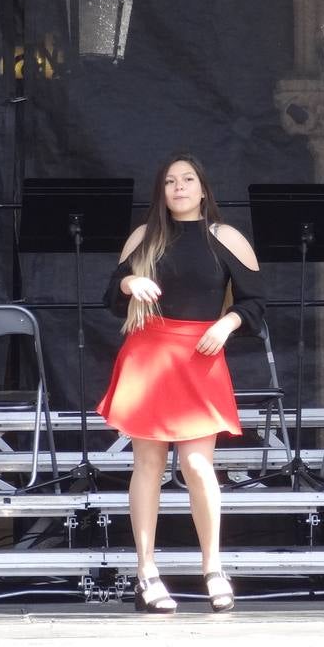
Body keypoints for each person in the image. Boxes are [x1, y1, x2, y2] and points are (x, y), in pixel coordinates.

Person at [97, 153, 266, 613]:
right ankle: (146, 573)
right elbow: (111, 293)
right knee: (148, 464)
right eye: (170, 181)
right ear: (162, 191)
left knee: (196, 464)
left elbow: (255, 302)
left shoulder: (225, 237)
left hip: (200, 353)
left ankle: (213, 568)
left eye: (188, 179)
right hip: (150, 351)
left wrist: (227, 323)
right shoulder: (144, 236)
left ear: (203, 189)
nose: (179, 187)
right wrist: (130, 283)